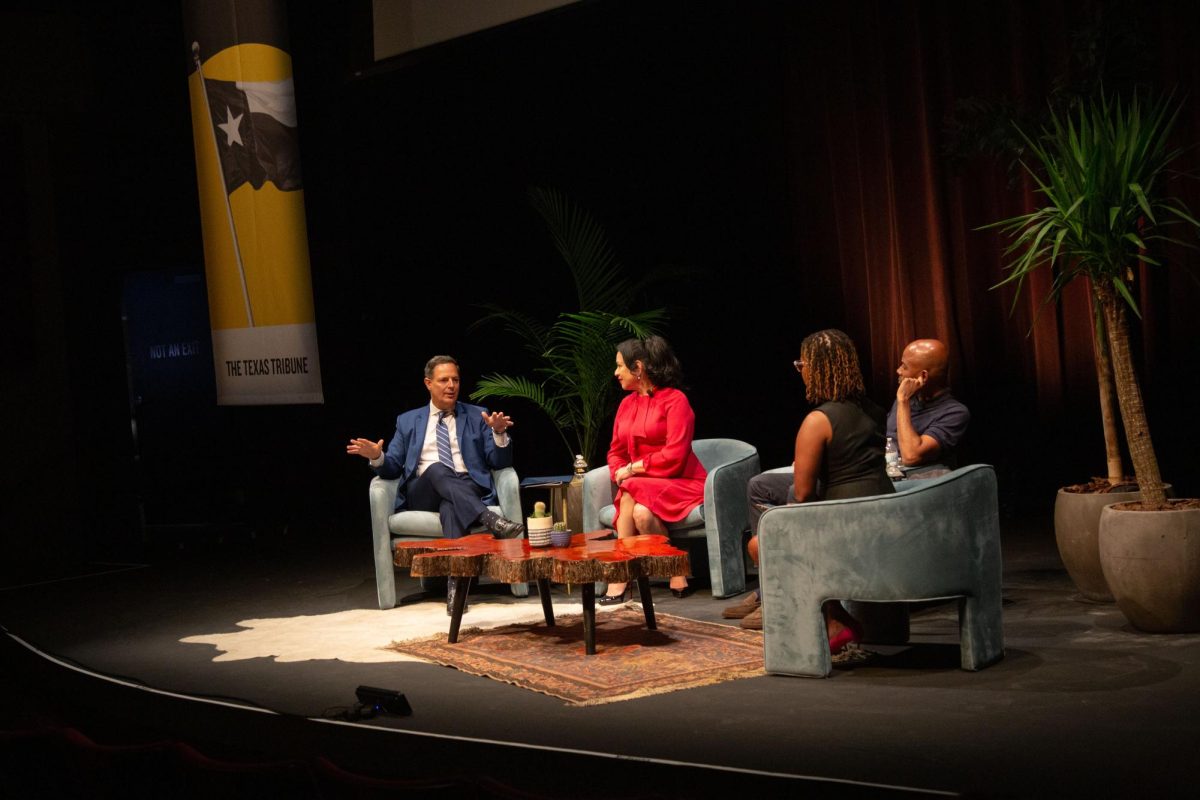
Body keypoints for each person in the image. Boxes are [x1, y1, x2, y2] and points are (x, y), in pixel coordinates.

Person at [729, 330, 894, 654]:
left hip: (844, 524)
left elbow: (803, 493)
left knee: (759, 543)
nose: (800, 370)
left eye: (801, 364)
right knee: (774, 505)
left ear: (817, 368)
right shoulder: (875, 410)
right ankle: (835, 617)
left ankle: (826, 620)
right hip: (881, 515)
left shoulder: (818, 421)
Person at [347, 355, 524, 615]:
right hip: (423, 489)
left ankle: (455, 586)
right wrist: (376, 456)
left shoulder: (478, 415)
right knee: (437, 469)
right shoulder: (408, 421)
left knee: (450, 506)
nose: (451, 385)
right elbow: (393, 466)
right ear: (428, 383)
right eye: (444, 380)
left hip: (466, 487)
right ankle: (488, 518)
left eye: (455, 379)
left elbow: (499, 462)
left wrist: (498, 433)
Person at [599, 336, 706, 604]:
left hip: (682, 480)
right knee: (641, 514)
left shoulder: (676, 401)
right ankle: (676, 565)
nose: (616, 373)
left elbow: (675, 455)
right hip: (644, 486)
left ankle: (621, 573)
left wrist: (633, 470)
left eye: (620, 366)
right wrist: (618, 471)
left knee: (630, 488)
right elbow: (615, 452)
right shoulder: (626, 404)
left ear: (638, 367)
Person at [887, 338, 970, 477]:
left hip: (920, 484)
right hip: (889, 475)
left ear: (923, 376)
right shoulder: (908, 399)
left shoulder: (955, 413)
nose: (898, 370)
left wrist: (903, 401)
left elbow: (911, 456)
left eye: (904, 366)